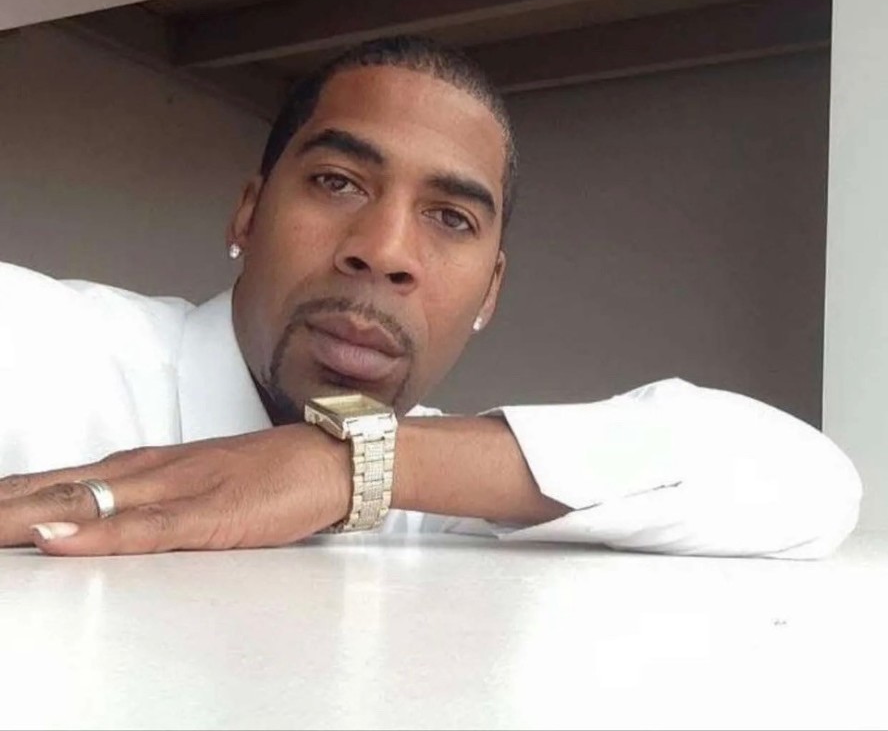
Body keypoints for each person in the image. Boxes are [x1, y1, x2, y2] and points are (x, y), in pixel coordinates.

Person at [0, 38, 861, 558]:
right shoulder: (42, 348)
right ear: (250, 212)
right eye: (337, 182)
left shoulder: (447, 507)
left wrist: (345, 464)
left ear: (490, 292)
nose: (384, 251)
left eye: (450, 218)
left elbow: (812, 486)